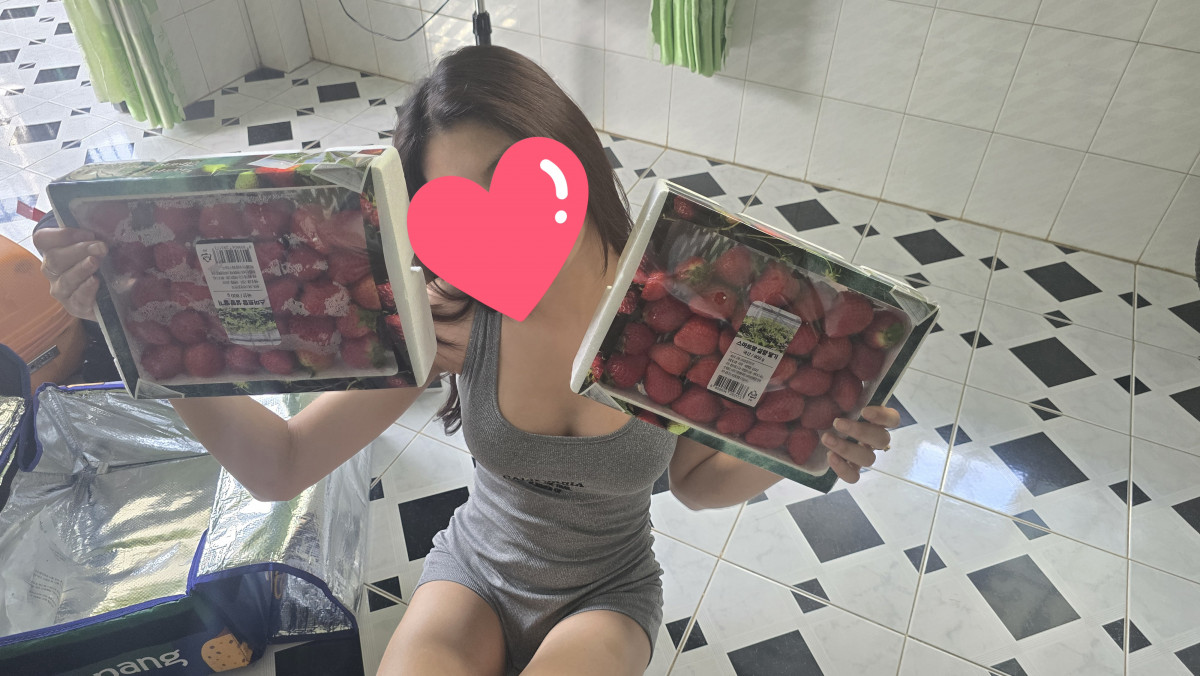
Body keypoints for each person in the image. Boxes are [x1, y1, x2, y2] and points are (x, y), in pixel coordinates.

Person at [33, 46, 899, 676]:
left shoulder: (671, 306)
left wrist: (810, 447)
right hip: (474, 573)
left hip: (608, 591)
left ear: (569, 156)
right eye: (459, 205)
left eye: (511, 179)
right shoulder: (451, 318)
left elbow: (698, 483)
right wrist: (138, 328)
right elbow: (279, 465)